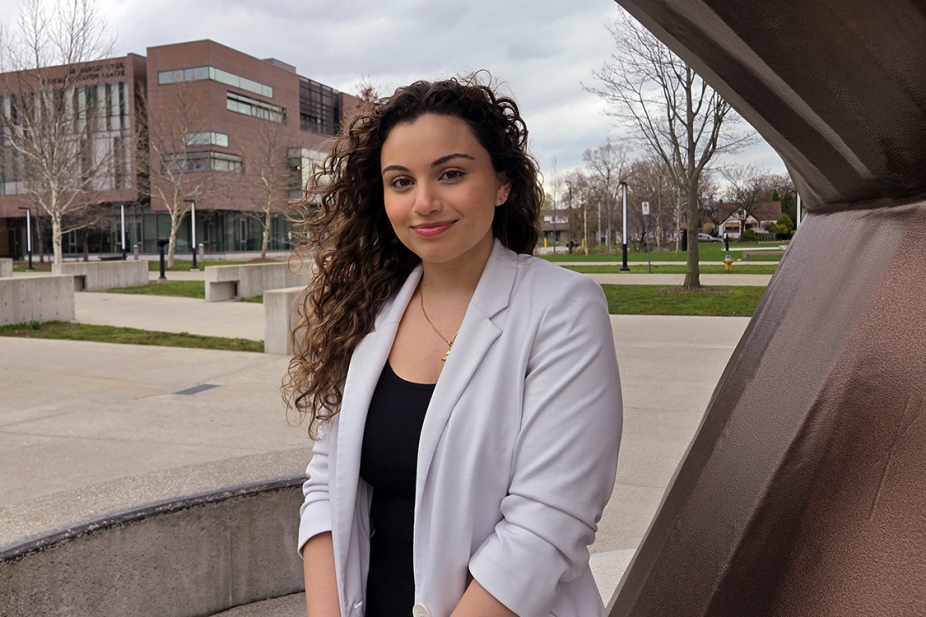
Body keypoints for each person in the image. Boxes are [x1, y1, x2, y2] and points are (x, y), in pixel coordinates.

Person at [284, 73, 623, 617]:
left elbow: (547, 523)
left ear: (502, 183)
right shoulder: (371, 313)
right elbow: (326, 481)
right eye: (400, 181)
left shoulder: (562, 308)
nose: (424, 202)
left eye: (451, 174)